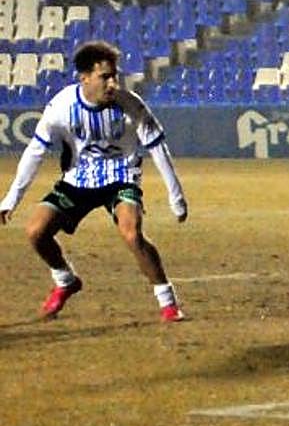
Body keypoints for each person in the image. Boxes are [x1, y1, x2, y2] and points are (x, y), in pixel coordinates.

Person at [0, 41, 189, 322]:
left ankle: (167, 301)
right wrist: (11, 199)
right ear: (84, 78)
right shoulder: (61, 108)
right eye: (105, 77)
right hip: (78, 179)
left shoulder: (131, 105)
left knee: (131, 233)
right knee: (36, 232)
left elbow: (158, 147)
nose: (113, 83)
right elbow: (35, 152)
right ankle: (66, 280)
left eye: (115, 75)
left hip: (121, 176)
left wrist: (177, 197)